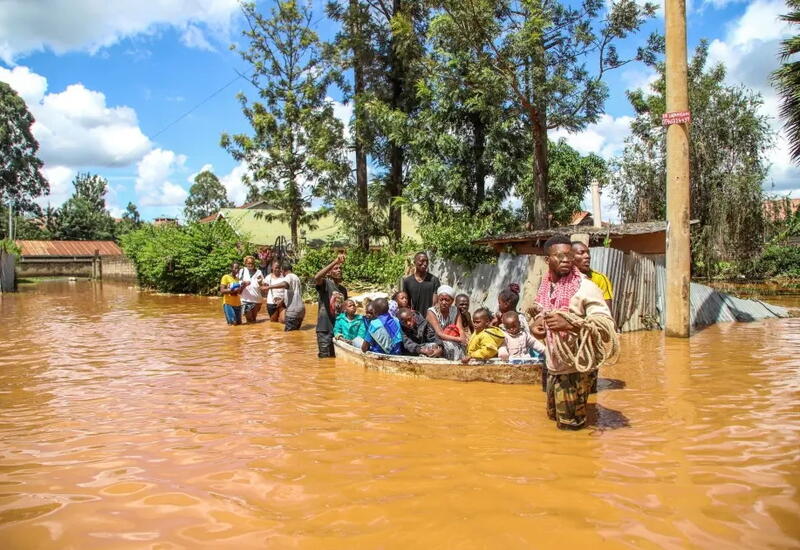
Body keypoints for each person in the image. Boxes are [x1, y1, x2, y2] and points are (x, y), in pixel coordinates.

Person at [533, 234, 613, 431]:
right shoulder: (545, 286)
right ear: (547, 260)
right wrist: (536, 325)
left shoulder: (585, 287)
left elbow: (606, 326)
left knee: (571, 429)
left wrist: (570, 324)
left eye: (568, 255)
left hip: (575, 370)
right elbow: (539, 311)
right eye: (559, 256)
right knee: (553, 420)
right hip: (553, 367)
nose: (566, 260)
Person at [572, 241, 614, 394]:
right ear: (570, 257)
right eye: (581, 253)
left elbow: (606, 311)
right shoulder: (561, 280)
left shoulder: (599, 279)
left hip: (589, 336)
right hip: (569, 338)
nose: (587, 256)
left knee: (589, 384)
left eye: (587, 252)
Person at [314, 252, 348, 358]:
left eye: (340, 268)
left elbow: (344, 311)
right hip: (324, 329)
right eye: (335, 268)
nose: (339, 270)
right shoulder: (325, 284)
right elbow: (317, 277)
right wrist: (335, 262)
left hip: (337, 329)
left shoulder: (343, 289)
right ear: (329, 273)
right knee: (325, 360)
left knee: (335, 359)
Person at [426, 285, 467, 360]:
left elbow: (460, 328)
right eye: (441, 300)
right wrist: (459, 339)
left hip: (452, 339)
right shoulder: (431, 312)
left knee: (463, 346)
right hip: (435, 340)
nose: (444, 302)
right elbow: (439, 334)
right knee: (435, 348)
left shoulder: (455, 310)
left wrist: (463, 338)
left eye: (447, 300)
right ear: (438, 299)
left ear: (452, 301)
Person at [263, 261, 305, 331]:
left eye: (281, 270)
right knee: (296, 333)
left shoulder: (288, 276)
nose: (280, 272)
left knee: (289, 336)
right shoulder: (296, 277)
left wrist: (269, 287)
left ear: (283, 270)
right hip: (301, 310)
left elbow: (284, 284)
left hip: (292, 311)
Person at [238, 255, 264, 323]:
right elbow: (239, 282)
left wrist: (260, 282)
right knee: (249, 319)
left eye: (252, 263)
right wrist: (244, 283)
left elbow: (262, 286)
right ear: (245, 263)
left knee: (253, 320)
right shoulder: (242, 271)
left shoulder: (259, 272)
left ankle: (254, 333)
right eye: (248, 263)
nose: (250, 265)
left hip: (257, 300)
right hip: (245, 299)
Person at [220, 261, 247, 326]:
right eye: (235, 268)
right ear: (231, 268)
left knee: (239, 324)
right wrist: (233, 290)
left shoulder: (238, 279)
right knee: (233, 323)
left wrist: (243, 286)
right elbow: (222, 290)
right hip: (228, 303)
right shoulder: (225, 277)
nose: (236, 270)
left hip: (237, 304)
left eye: (238, 268)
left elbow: (239, 292)